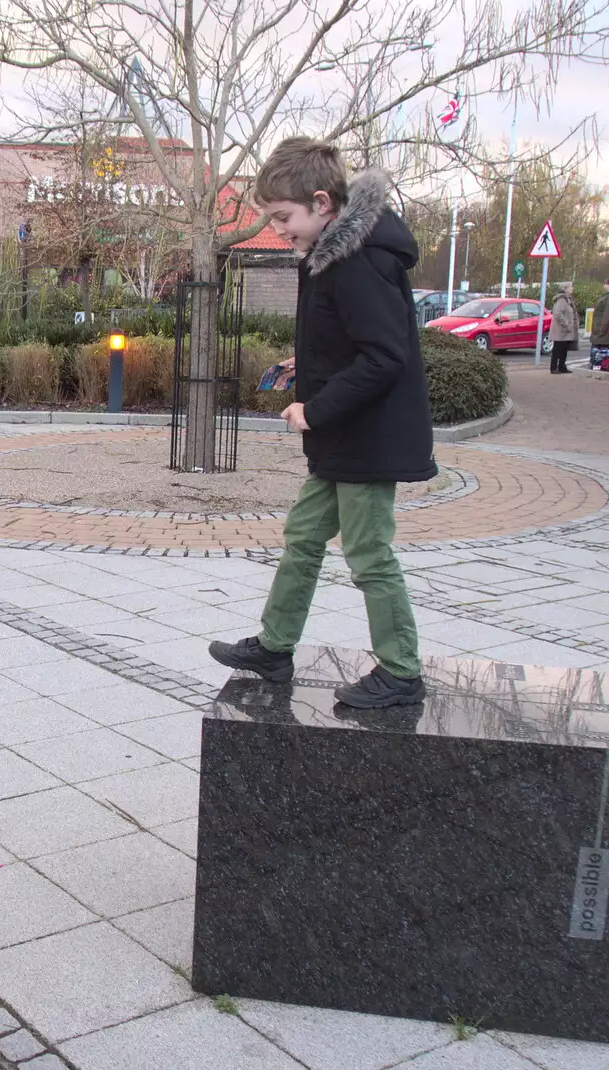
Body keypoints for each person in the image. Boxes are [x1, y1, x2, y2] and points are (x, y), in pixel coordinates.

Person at [208, 137, 434, 709]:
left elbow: (384, 356)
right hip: (346, 438)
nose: (278, 229)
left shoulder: (358, 259)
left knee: (368, 552)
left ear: (321, 201)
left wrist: (315, 408)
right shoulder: (332, 252)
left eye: (283, 217)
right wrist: (302, 368)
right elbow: (350, 343)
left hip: (367, 439)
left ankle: (402, 671)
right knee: (305, 537)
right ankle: (274, 647)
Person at [549, 284, 578, 373]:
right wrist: (566, 324)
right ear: (565, 289)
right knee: (558, 349)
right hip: (560, 330)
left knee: (564, 349)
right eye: (570, 287)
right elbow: (557, 313)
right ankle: (553, 368)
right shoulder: (561, 300)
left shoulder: (568, 299)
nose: (572, 288)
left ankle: (562, 366)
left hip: (566, 330)